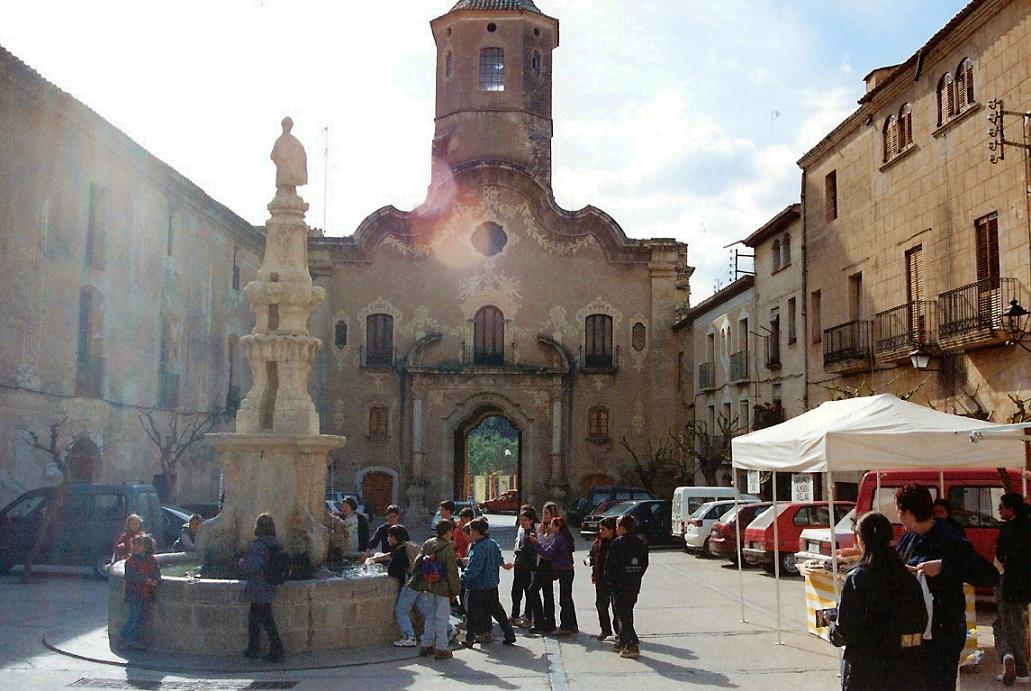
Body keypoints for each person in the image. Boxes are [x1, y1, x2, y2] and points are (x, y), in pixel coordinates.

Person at [895, 484, 998, 690]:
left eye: (898, 511)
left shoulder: (948, 536)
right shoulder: (908, 538)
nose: (898, 517)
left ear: (907, 513)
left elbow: (989, 574)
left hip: (943, 632)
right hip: (914, 630)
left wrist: (943, 566)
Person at [828, 512, 929, 690]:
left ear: (861, 540)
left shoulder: (857, 579)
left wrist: (830, 625)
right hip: (904, 671)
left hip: (865, 672)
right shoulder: (907, 578)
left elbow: (845, 630)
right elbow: (921, 622)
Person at [460, 517, 517, 648]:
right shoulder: (492, 544)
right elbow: (499, 558)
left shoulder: (478, 548)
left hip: (478, 587)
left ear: (476, 532)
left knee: (472, 614)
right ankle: (509, 634)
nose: (469, 533)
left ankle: (469, 639)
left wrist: (462, 579)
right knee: (497, 611)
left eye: (471, 531)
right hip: (492, 585)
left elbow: (474, 569)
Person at [409, 518, 461, 660]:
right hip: (443, 587)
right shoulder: (448, 548)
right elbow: (452, 572)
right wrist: (455, 591)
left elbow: (417, 562)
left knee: (430, 616)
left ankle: (426, 645)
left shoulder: (428, 543)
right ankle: (441, 648)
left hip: (429, 585)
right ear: (448, 532)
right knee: (442, 618)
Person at [994, 493, 1031, 685]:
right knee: (1014, 623)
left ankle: (1018, 666)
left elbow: (1001, 555)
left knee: (1010, 624)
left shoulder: (1008, 529)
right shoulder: (1028, 524)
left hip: (1011, 583)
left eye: (1001, 507)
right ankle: (1011, 659)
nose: (999, 510)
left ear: (1011, 509)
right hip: (1025, 583)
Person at [240, 513, 285, 663]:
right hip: (270, 585)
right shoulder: (275, 544)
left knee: (263, 620)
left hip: (259, 587)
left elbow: (251, 567)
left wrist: (242, 563)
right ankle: (254, 647)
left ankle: (274, 650)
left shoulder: (258, 545)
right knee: (260, 619)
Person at [605, 514, 649, 659]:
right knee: (627, 612)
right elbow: (644, 564)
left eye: (617, 526)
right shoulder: (641, 543)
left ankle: (631, 645)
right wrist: (636, 575)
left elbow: (610, 566)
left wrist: (610, 582)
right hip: (634, 583)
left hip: (620, 585)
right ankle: (624, 642)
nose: (616, 528)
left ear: (623, 528)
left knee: (623, 614)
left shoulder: (617, 544)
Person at [372, 523, 422, 648]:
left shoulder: (400, 551)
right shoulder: (410, 545)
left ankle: (409, 637)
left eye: (389, 536)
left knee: (401, 611)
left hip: (411, 583)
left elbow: (393, 571)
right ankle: (449, 630)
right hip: (421, 581)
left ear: (394, 537)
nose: (388, 539)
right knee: (427, 610)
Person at [532, 515, 577, 636]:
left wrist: (537, 543)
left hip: (565, 571)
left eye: (552, 525)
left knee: (564, 600)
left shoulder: (559, 539)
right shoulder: (563, 537)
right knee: (567, 598)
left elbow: (548, 553)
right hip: (566, 571)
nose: (550, 527)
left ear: (558, 527)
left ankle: (566, 626)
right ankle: (572, 625)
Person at [116, 534, 160, 651]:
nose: (135, 547)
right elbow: (130, 575)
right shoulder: (131, 561)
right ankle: (124, 638)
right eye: (134, 545)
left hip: (146, 593)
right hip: (134, 593)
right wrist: (145, 580)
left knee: (139, 618)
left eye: (139, 545)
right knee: (134, 618)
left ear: (146, 547)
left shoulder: (152, 560)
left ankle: (130, 640)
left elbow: (157, 572)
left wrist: (156, 580)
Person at [527, 502, 558, 634]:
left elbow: (547, 545)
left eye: (546, 513)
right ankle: (547, 621)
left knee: (535, 590)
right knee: (546, 592)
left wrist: (537, 537)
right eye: (543, 512)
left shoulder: (554, 528)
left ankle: (541, 621)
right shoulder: (543, 526)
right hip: (541, 562)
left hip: (547, 563)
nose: (544, 515)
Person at [589, 516, 619, 641]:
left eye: (603, 529)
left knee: (617, 607)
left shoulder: (618, 543)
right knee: (601, 605)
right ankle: (605, 629)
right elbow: (592, 555)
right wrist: (590, 560)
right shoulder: (598, 542)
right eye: (600, 529)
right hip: (601, 578)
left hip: (615, 580)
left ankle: (620, 631)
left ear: (612, 530)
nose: (600, 532)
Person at [510, 510, 537, 627]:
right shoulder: (522, 531)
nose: (522, 522)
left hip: (528, 567)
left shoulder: (532, 533)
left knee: (528, 593)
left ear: (530, 521)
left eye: (525, 520)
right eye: (521, 520)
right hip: (519, 565)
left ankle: (528, 617)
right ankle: (514, 615)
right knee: (516, 592)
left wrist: (518, 551)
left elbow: (527, 550)